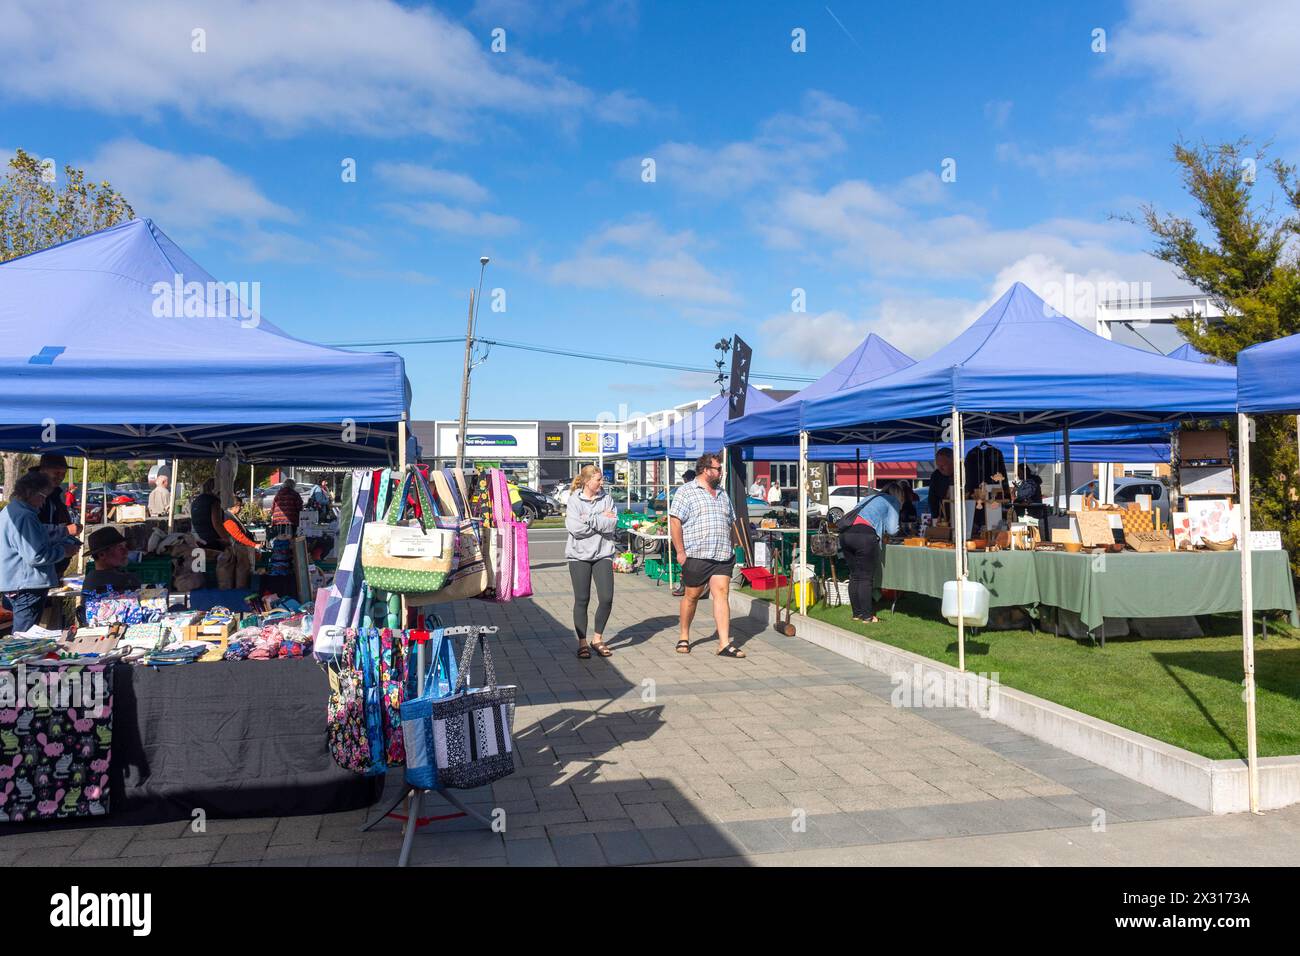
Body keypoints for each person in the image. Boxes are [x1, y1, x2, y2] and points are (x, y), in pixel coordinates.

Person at [670, 451, 744, 658]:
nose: (721, 472)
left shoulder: (722, 493)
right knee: (691, 596)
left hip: (722, 555)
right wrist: (680, 552)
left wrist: (732, 545)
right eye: (718, 468)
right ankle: (684, 635)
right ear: (705, 470)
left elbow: (731, 521)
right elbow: (675, 522)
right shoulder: (686, 491)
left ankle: (723, 643)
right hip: (696, 554)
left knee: (721, 594)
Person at [0, 471, 80, 634]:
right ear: (30, 493)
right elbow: (36, 555)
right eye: (43, 496)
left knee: (19, 637)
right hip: (27, 585)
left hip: (14, 584)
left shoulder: (11, 511)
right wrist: (64, 551)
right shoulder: (25, 516)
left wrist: (61, 534)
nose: (43, 502)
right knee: (24, 639)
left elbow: (36, 537)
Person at [564, 465, 617, 659]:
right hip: (579, 556)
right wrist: (600, 519)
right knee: (582, 599)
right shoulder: (574, 500)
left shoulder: (607, 499)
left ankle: (597, 639)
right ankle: (582, 642)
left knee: (606, 598)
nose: (602, 483)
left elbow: (612, 524)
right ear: (587, 482)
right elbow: (575, 528)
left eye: (601, 479)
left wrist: (589, 519)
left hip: (603, 553)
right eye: (598, 480)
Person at [837, 481, 905, 624]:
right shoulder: (892, 501)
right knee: (865, 578)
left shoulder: (870, 497)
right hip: (864, 535)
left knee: (855, 575)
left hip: (845, 534)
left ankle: (857, 613)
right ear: (898, 495)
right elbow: (892, 529)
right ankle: (867, 616)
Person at [29, 453, 81, 580]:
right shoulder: (33, 496)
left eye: (63, 474)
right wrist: (66, 530)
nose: (61, 477)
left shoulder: (54, 494)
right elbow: (33, 531)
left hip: (50, 570)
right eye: (57, 473)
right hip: (35, 575)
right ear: (42, 471)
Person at [83, 527, 141, 593]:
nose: (126, 551)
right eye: (120, 548)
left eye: (125, 546)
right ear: (102, 555)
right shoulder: (123, 580)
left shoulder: (91, 579)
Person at [219, 494, 259, 587]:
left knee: (244, 571)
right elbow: (238, 536)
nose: (241, 509)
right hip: (240, 549)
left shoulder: (231, 515)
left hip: (241, 548)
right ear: (236, 506)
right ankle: (242, 592)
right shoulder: (228, 517)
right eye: (240, 506)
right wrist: (253, 545)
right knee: (244, 571)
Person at [668, 469, 697, 597]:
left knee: (686, 562)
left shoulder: (688, 490)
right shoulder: (686, 490)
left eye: (685, 478)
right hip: (686, 532)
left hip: (688, 534)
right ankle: (685, 585)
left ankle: (685, 586)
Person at [191, 478, 226, 550]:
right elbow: (217, 523)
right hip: (213, 542)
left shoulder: (195, 502)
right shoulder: (214, 501)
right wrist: (228, 539)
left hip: (199, 540)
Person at [926, 448, 954, 521]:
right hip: (942, 518)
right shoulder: (936, 475)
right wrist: (935, 517)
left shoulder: (963, 472)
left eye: (943, 465)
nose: (940, 468)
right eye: (938, 465)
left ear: (953, 461)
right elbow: (932, 499)